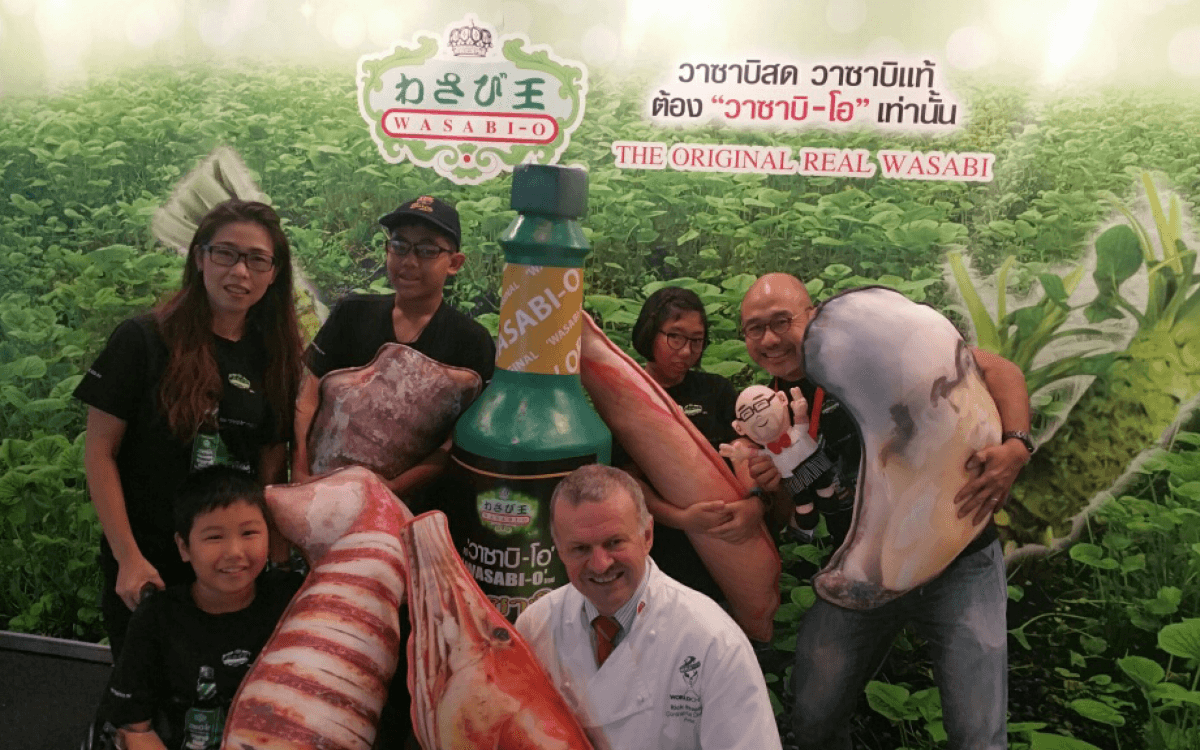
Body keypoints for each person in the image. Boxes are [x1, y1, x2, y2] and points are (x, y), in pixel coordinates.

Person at [739, 273, 1031, 750]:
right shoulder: (773, 406)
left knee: (978, 734)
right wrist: (777, 485)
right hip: (865, 569)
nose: (769, 339)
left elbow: (998, 371)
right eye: (755, 328)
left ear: (812, 315)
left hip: (959, 556)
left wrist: (1016, 446)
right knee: (813, 716)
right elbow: (799, 512)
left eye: (781, 321)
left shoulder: (865, 347)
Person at [74, 199, 303, 659]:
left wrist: (276, 560)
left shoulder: (277, 355)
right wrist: (127, 557)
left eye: (257, 259)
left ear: (273, 273)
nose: (240, 271)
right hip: (149, 564)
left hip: (231, 570)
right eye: (226, 253)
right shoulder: (142, 339)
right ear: (200, 257)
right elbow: (99, 452)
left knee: (228, 686)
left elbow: (270, 466)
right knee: (144, 688)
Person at [514, 464, 783, 750]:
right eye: (580, 549)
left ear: (647, 536)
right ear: (559, 549)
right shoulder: (536, 625)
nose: (600, 564)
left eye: (614, 542)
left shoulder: (713, 640)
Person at [292, 194, 495, 495]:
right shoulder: (352, 314)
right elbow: (308, 395)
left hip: (413, 504)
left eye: (427, 250)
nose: (409, 262)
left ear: (454, 263)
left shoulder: (471, 341)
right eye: (399, 246)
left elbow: (457, 441)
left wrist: (393, 489)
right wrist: (299, 471)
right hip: (320, 488)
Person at [100, 466, 303, 750]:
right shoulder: (157, 619)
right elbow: (135, 728)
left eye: (249, 533)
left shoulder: (295, 601)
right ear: (184, 547)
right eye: (214, 537)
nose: (234, 552)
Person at [620, 286, 751, 602]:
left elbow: (744, 450)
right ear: (650, 332)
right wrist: (681, 519)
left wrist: (755, 502)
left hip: (725, 545)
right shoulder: (629, 396)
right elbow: (629, 480)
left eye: (696, 340)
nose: (686, 351)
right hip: (660, 550)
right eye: (675, 337)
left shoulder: (717, 390)